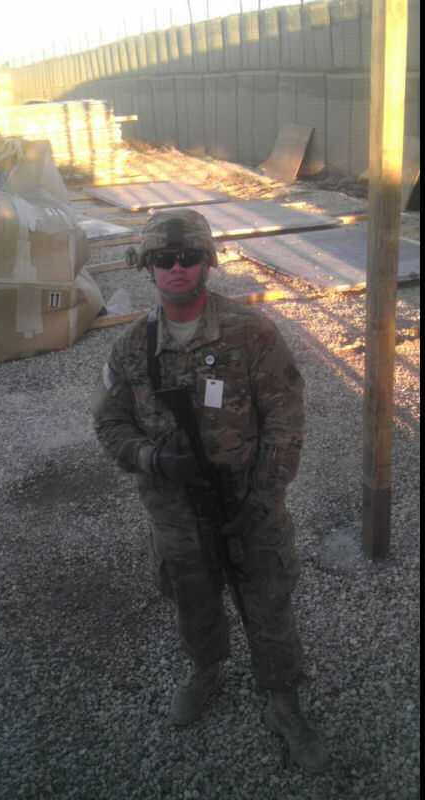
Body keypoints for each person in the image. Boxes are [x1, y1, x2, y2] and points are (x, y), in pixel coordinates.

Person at [89, 208, 329, 773]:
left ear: (208, 262)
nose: (177, 268)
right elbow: (109, 422)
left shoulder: (251, 332)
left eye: (188, 256)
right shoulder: (132, 347)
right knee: (193, 602)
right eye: (164, 259)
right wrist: (152, 459)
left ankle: (282, 698)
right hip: (175, 515)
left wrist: (262, 501)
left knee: (268, 604)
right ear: (148, 267)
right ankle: (207, 671)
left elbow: (286, 424)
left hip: (248, 505)